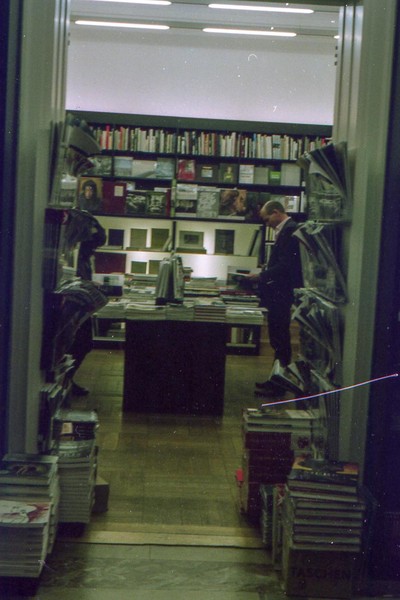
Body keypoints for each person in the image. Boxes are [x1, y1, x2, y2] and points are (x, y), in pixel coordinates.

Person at [249, 199, 303, 397]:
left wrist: (262, 276)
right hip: (279, 292)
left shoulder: (290, 230)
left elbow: (286, 265)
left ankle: (279, 384)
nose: (267, 224)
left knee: (280, 339)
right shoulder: (287, 229)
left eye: (267, 219)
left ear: (276, 213)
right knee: (278, 338)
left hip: (282, 293)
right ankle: (276, 380)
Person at [64, 209, 107, 396]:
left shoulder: (83, 256)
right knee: (80, 343)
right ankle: (66, 380)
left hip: (80, 307)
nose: (93, 251)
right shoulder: (76, 255)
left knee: (83, 343)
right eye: (93, 246)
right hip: (72, 306)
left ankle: (67, 380)